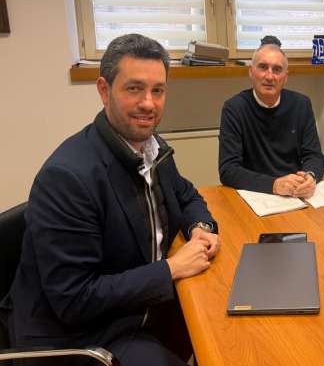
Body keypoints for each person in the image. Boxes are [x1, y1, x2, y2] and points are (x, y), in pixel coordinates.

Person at [3, 34, 220, 366]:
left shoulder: (152, 147)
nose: (149, 103)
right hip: (82, 335)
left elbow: (186, 194)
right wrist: (170, 269)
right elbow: (74, 299)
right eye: (134, 88)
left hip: (138, 306)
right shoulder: (68, 177)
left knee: (224, 324)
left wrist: (200, 227)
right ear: (104, 90)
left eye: (158, 90)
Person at [219, 36, 324, 199]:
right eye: (263, 67)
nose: (269, 76)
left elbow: (314, 155)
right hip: (255, 194)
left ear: (285, 77)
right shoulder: (234, 108)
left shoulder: (301, 104)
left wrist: (310, 177)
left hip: (295, 193)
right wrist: (274, 184)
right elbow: (228, 170)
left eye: (277, 69)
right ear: (251, 72)